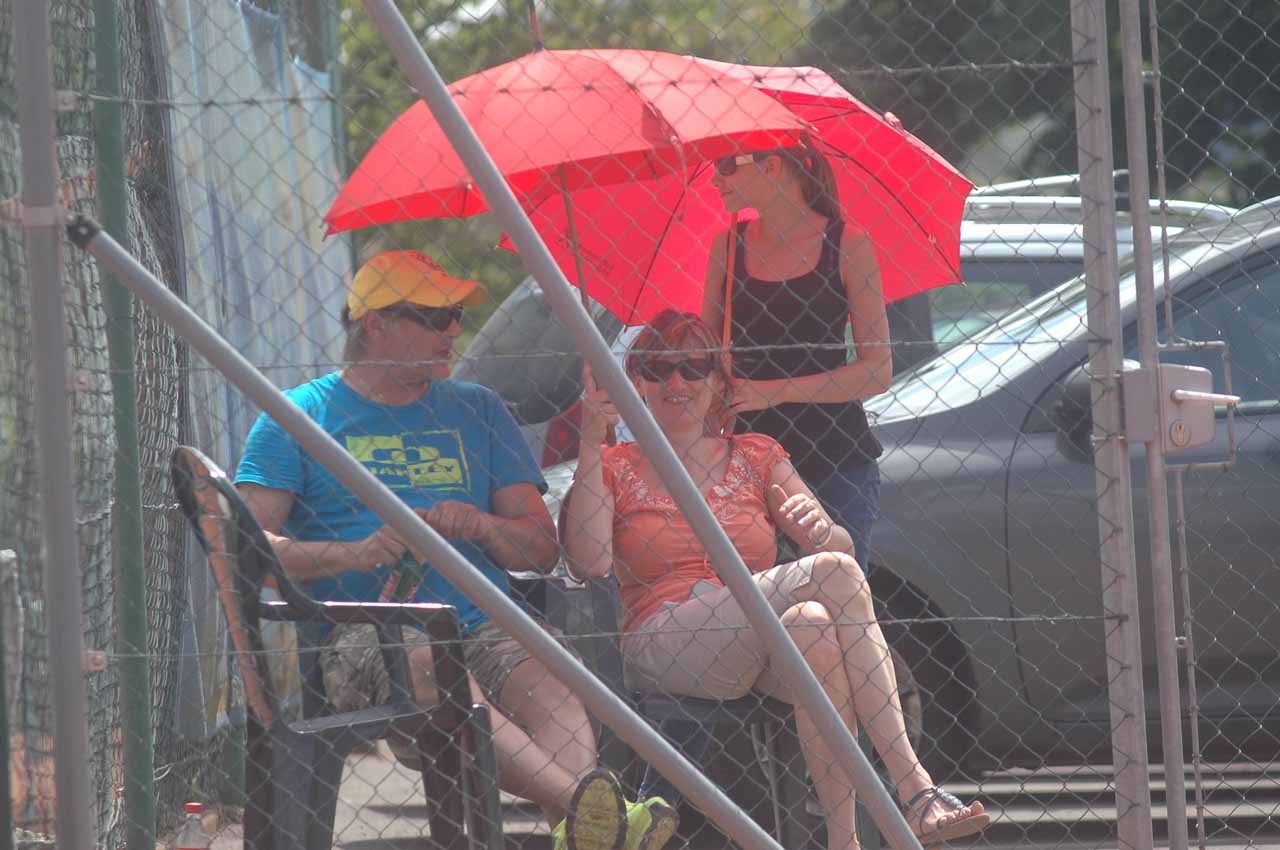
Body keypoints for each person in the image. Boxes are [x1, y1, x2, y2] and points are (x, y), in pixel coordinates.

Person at [234, 250, 676, 850]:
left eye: (457, 316)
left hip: (482, 618)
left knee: (554, 672)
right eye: (434, 316)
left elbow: (540, 550)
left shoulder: (477, 409)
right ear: (375, 324)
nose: (452, 331)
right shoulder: (298, 416)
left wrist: (480, 525)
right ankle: (600, 813)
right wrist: (359, 554)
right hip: (368, 629)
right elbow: (250, 550)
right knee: (429, 661)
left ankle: (588, 828)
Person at [561, 311, 987, 850]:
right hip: (666, 640)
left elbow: (838, 547)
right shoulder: (613, 464)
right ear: (636, 381)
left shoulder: (757, 453)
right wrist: (589, 442)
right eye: (657, 367)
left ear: (719, 380)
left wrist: (822, 531)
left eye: (693, 366)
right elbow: (590, 561)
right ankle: (915, 789)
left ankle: (843, 841)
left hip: (756, 643)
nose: (676, 381)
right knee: (832, 577)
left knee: (813, 626)